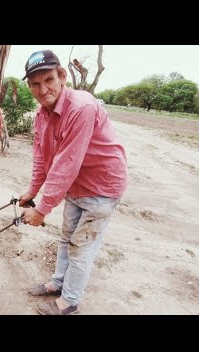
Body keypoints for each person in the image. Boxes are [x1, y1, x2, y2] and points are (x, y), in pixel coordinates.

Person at [19, 50, 128, 315]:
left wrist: (43, 209)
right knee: (67, 238)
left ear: (62, 76)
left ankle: (69, 302)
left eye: (49, 80)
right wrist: (32, 191)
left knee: (81, 246)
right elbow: (42, 157)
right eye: (35, 83)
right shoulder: (42, 115)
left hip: (102, 186)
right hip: (77, 185)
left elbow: (66, 164)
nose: (43, 89)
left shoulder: (82, 107)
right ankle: (58, 283)